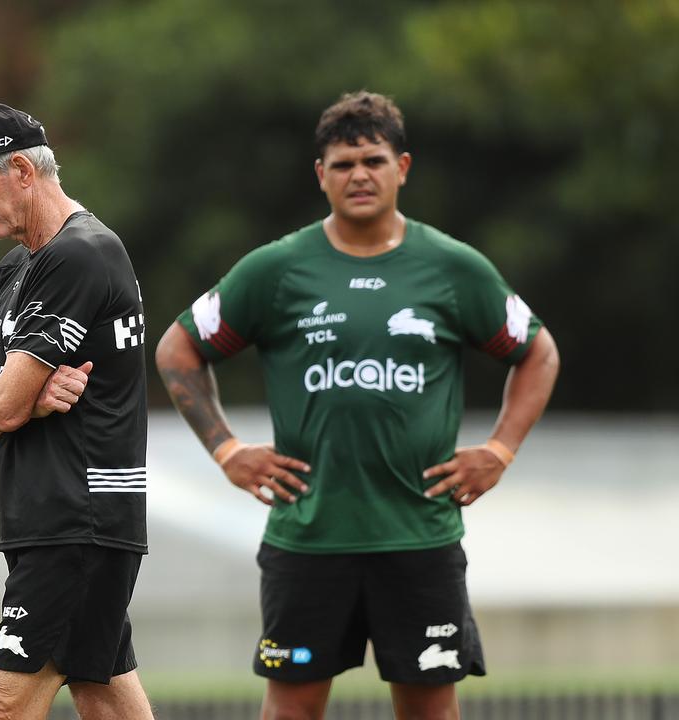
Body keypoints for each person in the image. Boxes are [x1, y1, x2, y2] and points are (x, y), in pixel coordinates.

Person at [155, 91, 560, 720]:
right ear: (321, 176)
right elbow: (178, 349)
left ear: (403, 166)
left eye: (373, 160)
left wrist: (500, 451)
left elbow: (538, 353)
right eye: (342, 164)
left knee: (429, 711)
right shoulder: (277, 270)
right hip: (308, 538)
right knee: (292, 708)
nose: (359, 175)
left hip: (419, 536)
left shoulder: (452, 267)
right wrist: (228, 450)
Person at [0, 103, 154, 720]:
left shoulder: (80, 254)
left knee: (2, 707)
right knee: (103, 693)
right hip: (46, 522)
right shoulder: (13, 269)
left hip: (77, 521)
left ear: (21, 170)